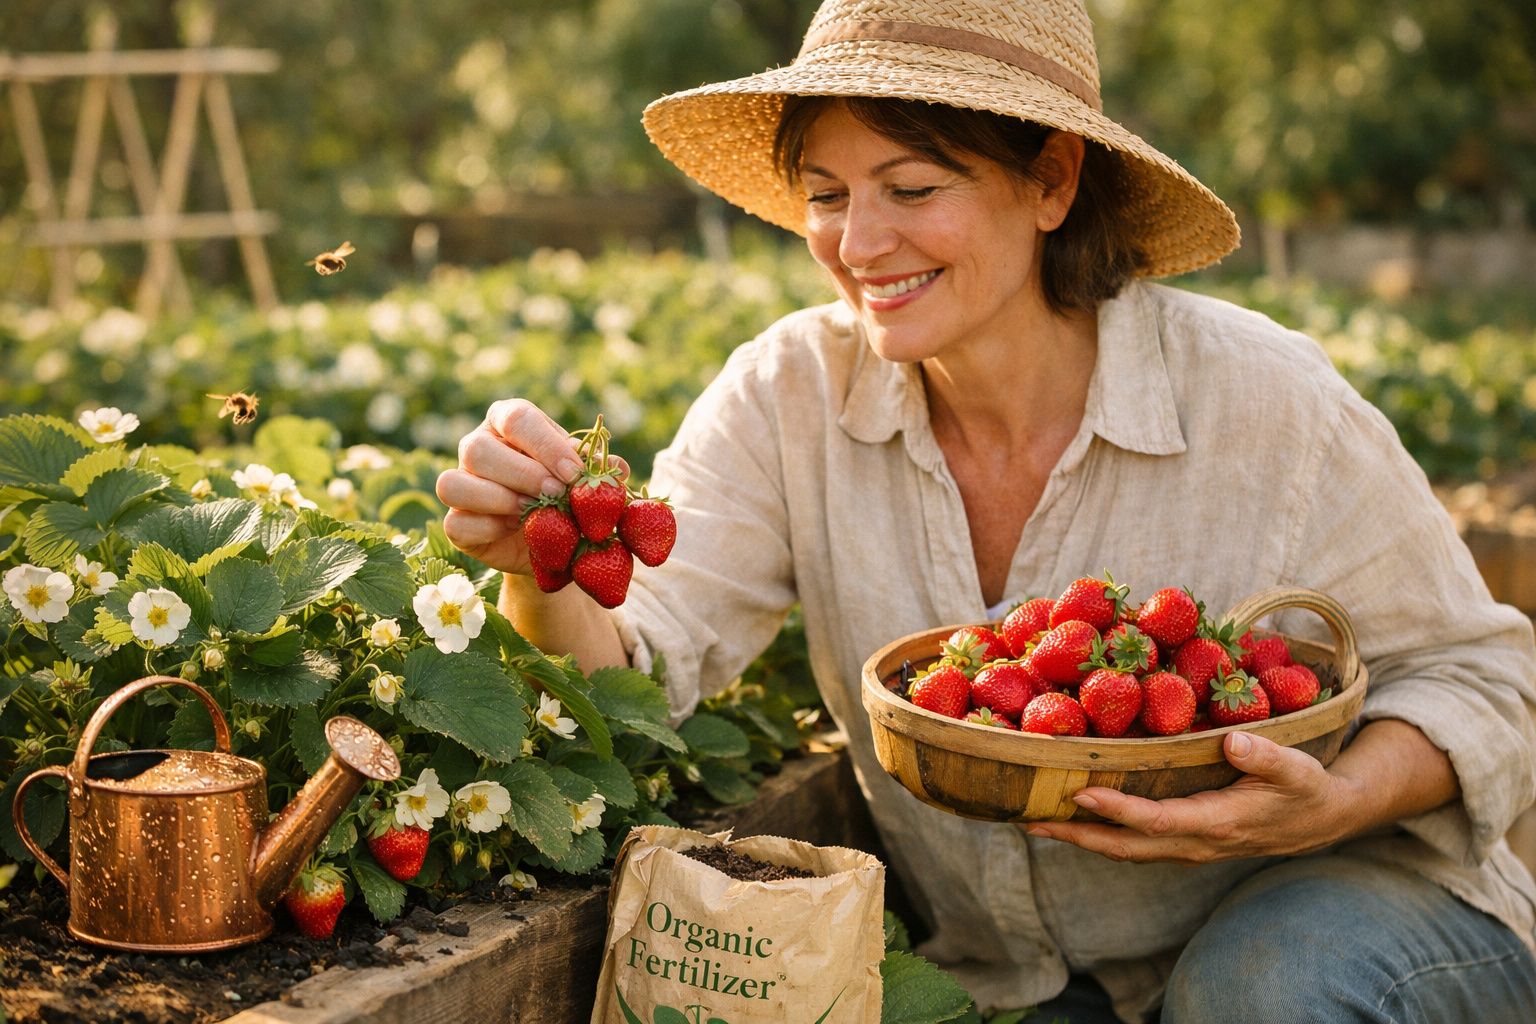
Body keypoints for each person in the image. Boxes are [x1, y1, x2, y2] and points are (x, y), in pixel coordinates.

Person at [436, 1, 1536, 1020]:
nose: (859, 247)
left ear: (1053, 182)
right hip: (1023, 974)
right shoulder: (788, 396)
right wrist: (539, 569)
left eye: (912, 190)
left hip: (1361, 921)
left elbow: (1488, 684)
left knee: (1260, 984)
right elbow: (638, 664)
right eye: (827, 195)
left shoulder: (1267, 402)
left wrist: (1329, 805)